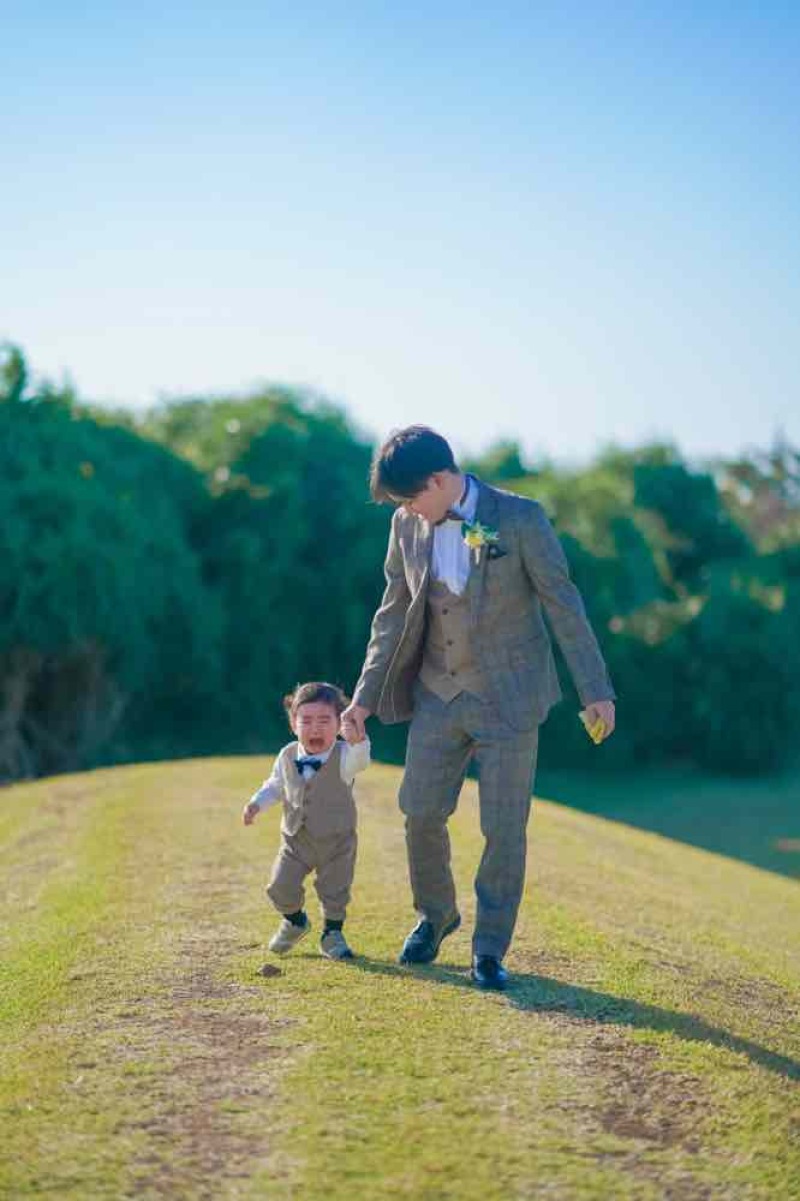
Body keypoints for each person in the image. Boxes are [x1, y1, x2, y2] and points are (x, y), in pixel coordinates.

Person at [341, 426, 615, 990]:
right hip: (437, 696)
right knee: (418, 811)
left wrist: (595, 689)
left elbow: (563, 603)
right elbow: (392, 614)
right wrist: (364, 700)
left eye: (412, 497)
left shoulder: (520, 518)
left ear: (440, 480)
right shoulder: (405, 525)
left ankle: (489, 950)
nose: (408, 511)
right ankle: (435, 915)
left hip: (510, 699)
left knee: (503, 827)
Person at [243, 681, 370, 961]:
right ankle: (295, 921)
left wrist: (358, 739)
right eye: (307, 720)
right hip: (296, 839)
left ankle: (332, 935)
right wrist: (256, 803)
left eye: (325, 721)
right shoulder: (287, 755)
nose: (315, 728)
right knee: (279, 887)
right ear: (293, 724)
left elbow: (361, 760)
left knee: (335, 891)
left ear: (338, 724)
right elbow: (276, 785)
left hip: (337, 841)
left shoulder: (345, 756)